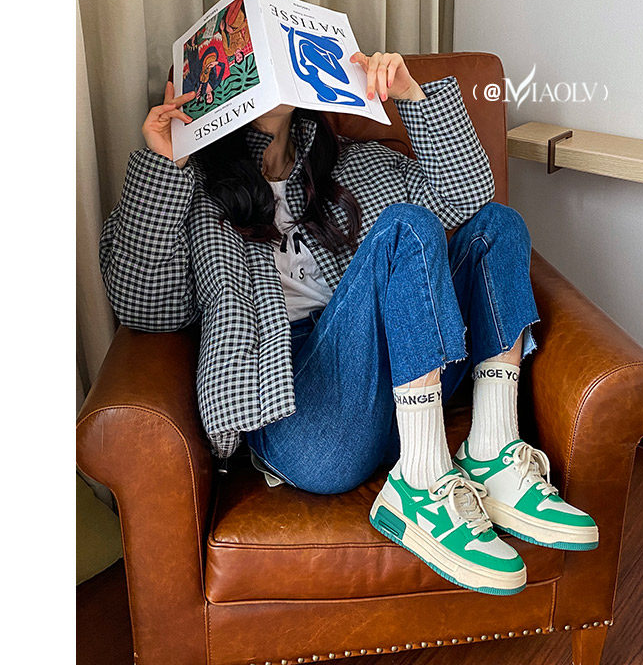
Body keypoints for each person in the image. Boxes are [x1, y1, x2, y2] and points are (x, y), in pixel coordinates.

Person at [99, 50, 598, 597]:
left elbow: (468, 198)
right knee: (406, 227)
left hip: (408, 376)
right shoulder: (193, 197)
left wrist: (413, 99)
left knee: (497, 223)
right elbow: (145, 309)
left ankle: (491, 450)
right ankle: (419, 486)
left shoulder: (359, 165)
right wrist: (165, 166)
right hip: (300, 408)